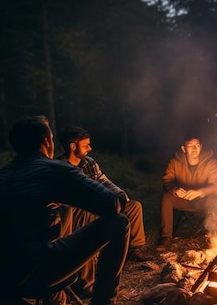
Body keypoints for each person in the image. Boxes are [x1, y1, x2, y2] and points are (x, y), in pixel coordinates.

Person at [0, 115, 131, 305]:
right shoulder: (54, 170)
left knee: (56, 218)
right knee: (119, 222)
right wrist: (120, 196)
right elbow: (110, 203)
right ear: (46, 141)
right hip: (34, 270)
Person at [56, 125, 153, 292]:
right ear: (72, 146)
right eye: (86, 145)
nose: (90, 148)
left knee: (133, 206)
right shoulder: (59, 167)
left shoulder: (89, 163)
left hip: (100, 206)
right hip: (78, 213)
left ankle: (133, 249)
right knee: (90, 215)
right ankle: (87, 279)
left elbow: (104, 181)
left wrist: (120, 194)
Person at [157, 135, 217, 250]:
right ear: (183, 149)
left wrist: (200, 192)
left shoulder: (211, 163)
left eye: (197, 146)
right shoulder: (174, 162)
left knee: (215, 199)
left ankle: (216, 237)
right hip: (183, 199)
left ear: (201, 147)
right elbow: (166, 181)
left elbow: (216, 186)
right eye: (190, 146)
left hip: (203, 201)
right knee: (167, 197)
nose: (194, 149)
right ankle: (166, 237)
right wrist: (174, 189)